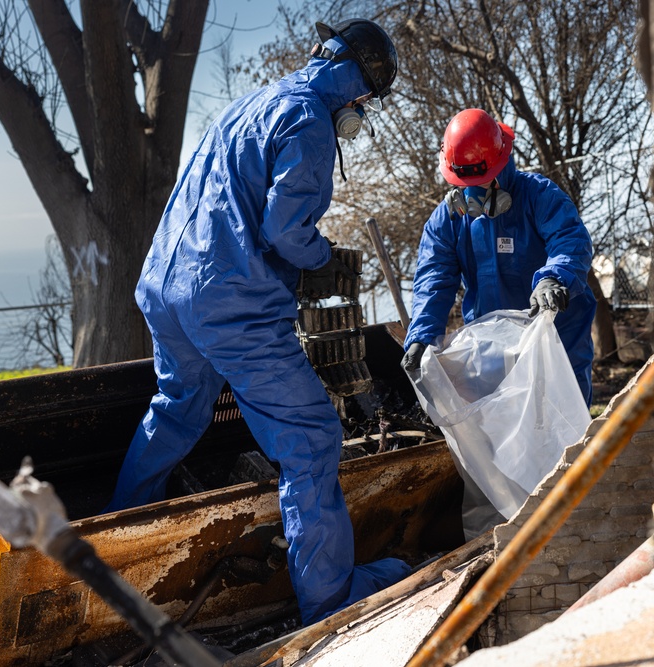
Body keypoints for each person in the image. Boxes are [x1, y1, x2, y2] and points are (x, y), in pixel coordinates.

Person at [104, 18, 411, 625]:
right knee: (314, 436)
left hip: (166, 284)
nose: (360, 113)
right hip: (228, 299)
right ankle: (329, 599)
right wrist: (321, 259)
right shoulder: (312, 123)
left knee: (178, 409)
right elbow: (283, 231)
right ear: (359, 92)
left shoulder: (256, 101)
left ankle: (113, 547)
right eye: (365, 104)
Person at [401, 109, 596, 405]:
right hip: (493, 344)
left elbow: (570, 240)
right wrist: (421, 337)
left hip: (557, 336)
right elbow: (433, 280)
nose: (471, 197)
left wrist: (553, 279)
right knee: (505, 430)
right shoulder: (447, 220)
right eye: (463, 186)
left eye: (481, 184)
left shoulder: (539, 196)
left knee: (564, 425)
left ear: (500, 167)